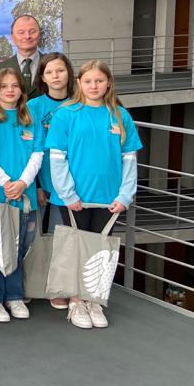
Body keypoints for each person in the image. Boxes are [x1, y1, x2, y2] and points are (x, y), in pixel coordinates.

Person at [46, 60, 141, 330]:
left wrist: (125, 196)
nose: (94, 86)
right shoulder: (66, 114)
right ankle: (76, 300)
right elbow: (57, 159)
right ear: (79, 83)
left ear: (108, 83)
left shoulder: (120, 116)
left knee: (101, 251)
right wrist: (67, 194)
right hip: (74, 198)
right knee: (75, 249)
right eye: (88, 81)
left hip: (108, 199)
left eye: (99, 81)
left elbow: (129, 161)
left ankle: (94, 299)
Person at [0, 68, 42, 323]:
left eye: (15, 86)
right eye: (4, 86)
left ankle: (14, 295)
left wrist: (24, 182)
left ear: (21, 90)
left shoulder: (30, 116)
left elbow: (38, 152)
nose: (10, 90)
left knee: (19, 246)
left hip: (24, 195)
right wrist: (7, 182)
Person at [28, 53, 78, 313]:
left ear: (69, 73)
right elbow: (31, 147)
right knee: (36, 236)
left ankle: (60, 286)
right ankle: (35, 282)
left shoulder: (79, 103)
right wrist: (36, 184)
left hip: (70, 183)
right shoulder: (34, 106)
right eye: (50, 72)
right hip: (41, 180)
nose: (56, 76)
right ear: (42, 77)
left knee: (63, 237)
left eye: (60, 70)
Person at [0, 15, 45, 97]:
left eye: (32, 31)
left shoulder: (53, 65)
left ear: (40, 35)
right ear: (12, 37)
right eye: (21, 32)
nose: (27, 36)